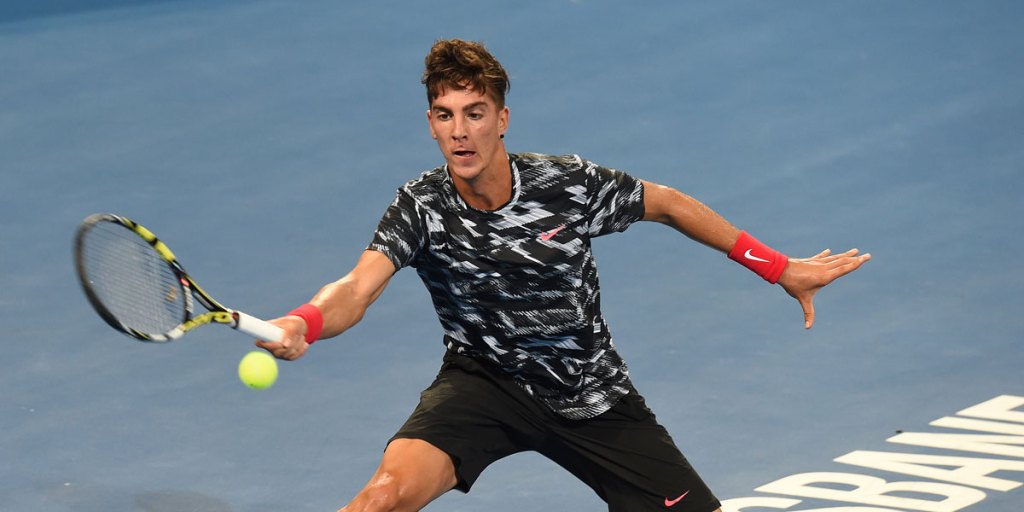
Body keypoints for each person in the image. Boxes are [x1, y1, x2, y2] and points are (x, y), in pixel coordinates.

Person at [257, 39, 871, 512]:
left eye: (475, 113)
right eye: (445, 116)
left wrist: (777, 267)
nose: (460, 132)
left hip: (589, 390)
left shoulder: (564, 185)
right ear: (431, 123)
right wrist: (305, 320)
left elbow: (667, 204)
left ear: (502, 119)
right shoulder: (421, 206)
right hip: (482, 384)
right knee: (382, 497)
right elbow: (357, 287)